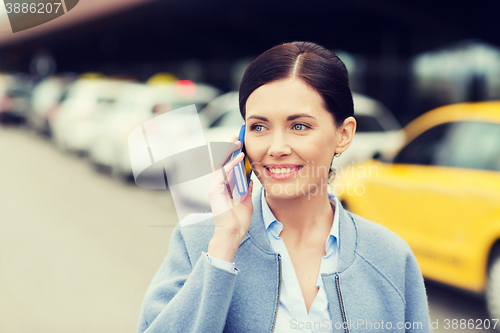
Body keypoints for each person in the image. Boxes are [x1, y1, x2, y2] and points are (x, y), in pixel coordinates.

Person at [137, 41, 432, 333]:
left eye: (299, 126)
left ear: (343, 134)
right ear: (241, 139)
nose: (276, 148)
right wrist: (225, 246)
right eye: (259, 127)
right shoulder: (197, 243)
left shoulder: (391, 257)